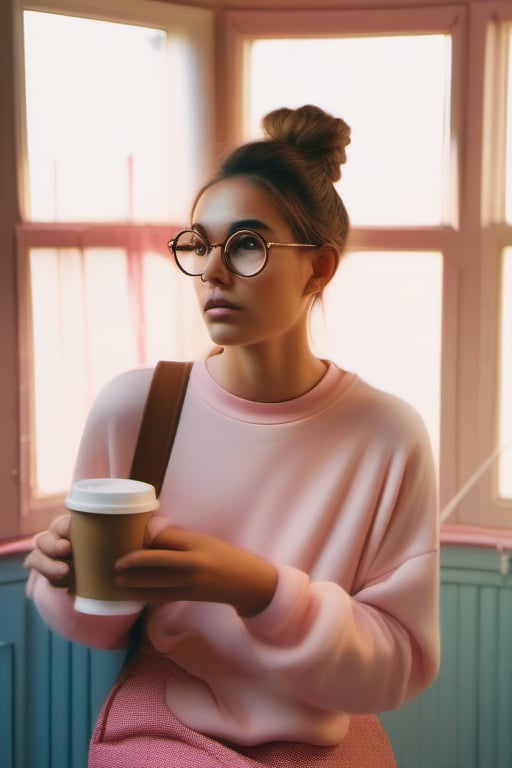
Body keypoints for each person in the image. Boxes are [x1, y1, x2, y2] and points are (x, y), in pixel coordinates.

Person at [24, 104, 440, 767]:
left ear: (320, 267)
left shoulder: (389, 435)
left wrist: (258, 590)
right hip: (165, 726)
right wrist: (62, 580)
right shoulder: (136, 407)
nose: (213, 269)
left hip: (318, 730)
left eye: (247, 244)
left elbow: (395, 669)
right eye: (199, 244)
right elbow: (99, 627)